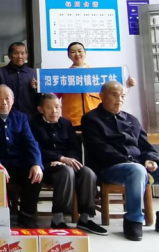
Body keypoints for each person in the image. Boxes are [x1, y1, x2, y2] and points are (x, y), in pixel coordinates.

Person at [82, 81, 159, 242]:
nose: (119, 100)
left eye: (122, 96)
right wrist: (130, 161)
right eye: (114, 95)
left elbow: (146, 146)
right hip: (111, 168)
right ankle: (133, 219)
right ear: (101, 96)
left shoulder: (131, 119)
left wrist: (151, 159)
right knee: (136, 170)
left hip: (140, 167)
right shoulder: (91, 119)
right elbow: (100, 149)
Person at [29, 93, 107, 235]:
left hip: (66, 163)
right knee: (66, 172)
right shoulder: (32, 123)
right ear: (40, 109)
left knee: (87, 173)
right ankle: (58, 219)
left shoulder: (66, 123)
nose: (54, 111)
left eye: (57, 107)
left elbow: (74, 148)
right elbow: (34, 148)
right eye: (49, 108)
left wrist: (69, 160)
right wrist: (60, 158)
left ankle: (85, 218)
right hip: (45, 165)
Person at [0, 85, 43, 229]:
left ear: (13, 100)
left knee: (35, 175)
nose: (4, 102)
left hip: (18, 164)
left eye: (7, 98)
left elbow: (31, 142)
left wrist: (36, 163)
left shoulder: (21, 118)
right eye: (0, 99)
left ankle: (26, 217)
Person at [60, 41, 136, 128]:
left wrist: (126, 84)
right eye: (73, 52)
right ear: (68, 55)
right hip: (72, 120)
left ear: (85, 53)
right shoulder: (63, 76)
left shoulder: (98, 75)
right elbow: (53, 94)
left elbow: (112, 89)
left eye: (80, 51)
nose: (77, 54)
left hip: (97, 119)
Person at [0, 42, 38, 117]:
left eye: (22, 53)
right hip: (7, 115)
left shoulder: (33, 73)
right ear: (10, 56)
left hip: (29, 116)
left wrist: (36, 88)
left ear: (27, 55)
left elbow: (39, 97)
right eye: (16, 53)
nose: (20, 56)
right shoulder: (0, 73)